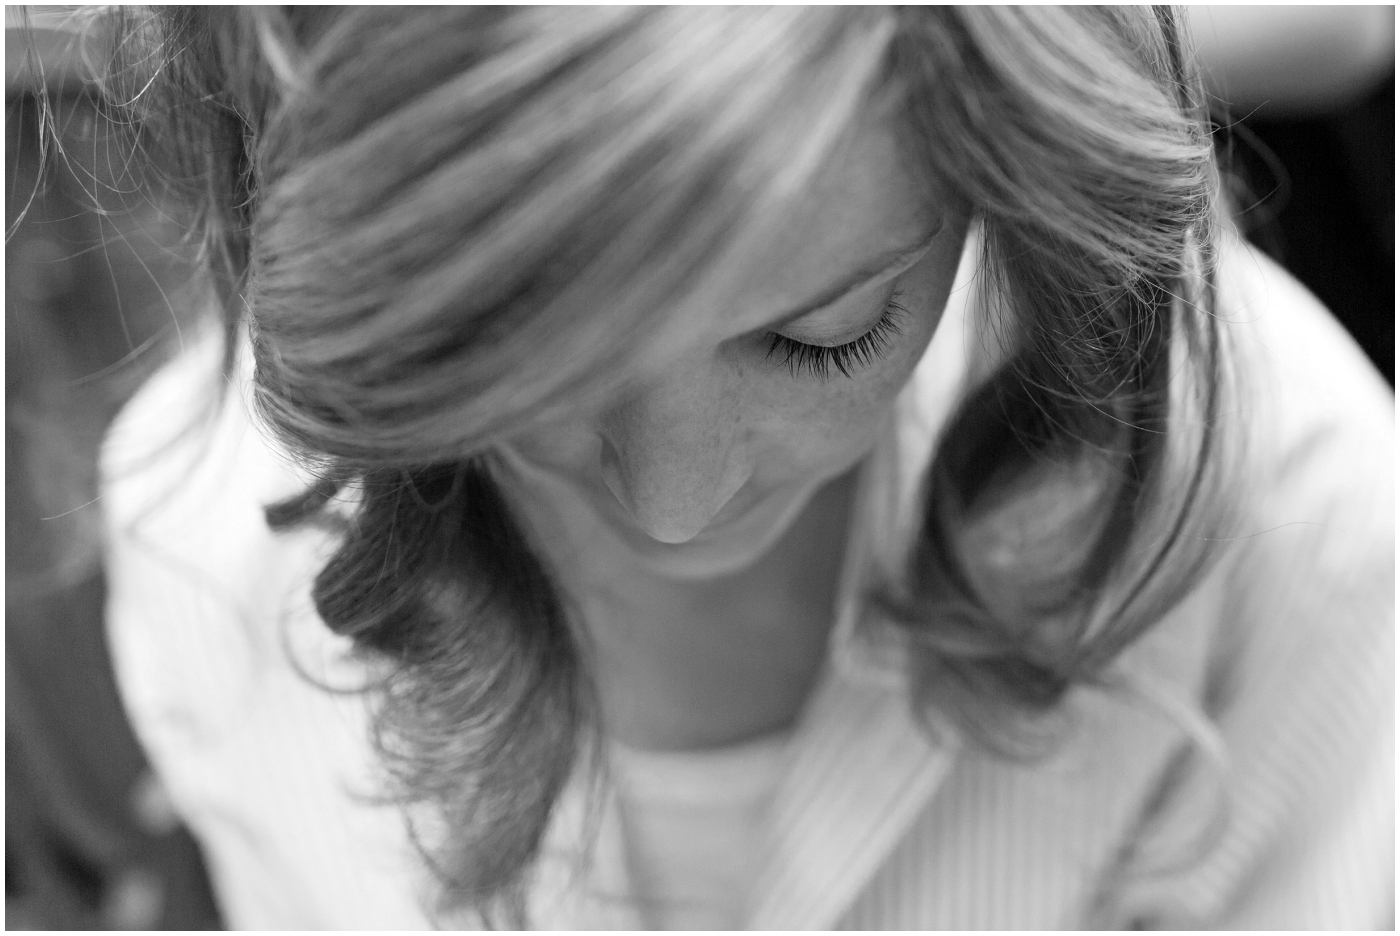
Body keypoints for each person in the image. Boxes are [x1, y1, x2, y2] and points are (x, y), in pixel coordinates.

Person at [97, 7, 1392, 929]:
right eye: (527, 356)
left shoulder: (1286, 520)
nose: (674, 506)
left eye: (823, 337)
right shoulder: (207, 538)